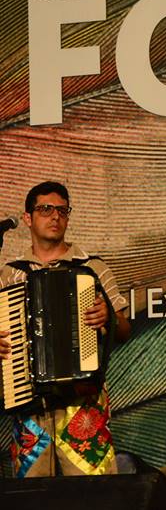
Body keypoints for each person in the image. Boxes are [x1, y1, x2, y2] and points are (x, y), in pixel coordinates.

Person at [0, 181, 130, 477]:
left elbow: (124, 330)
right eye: (45, 209)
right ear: (28, 218)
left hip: (82, 407)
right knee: (33, 498)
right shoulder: (10, 274)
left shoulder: (92, 268)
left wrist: (108, 318)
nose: (55, 216)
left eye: (62, 210)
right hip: (29, 406)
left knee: (93, 496)